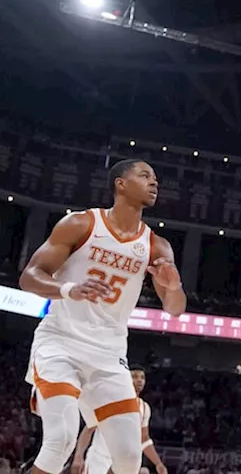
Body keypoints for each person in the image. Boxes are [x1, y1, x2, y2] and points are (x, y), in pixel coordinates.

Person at [20, 160, 186, 474]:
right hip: (61, 343)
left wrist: (174, 287)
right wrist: (69, 289)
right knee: (61, 441)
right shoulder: (81, 224)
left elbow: (175, 308)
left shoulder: (156, 245)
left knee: (127, 458)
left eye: (155, 178)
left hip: (110, 355)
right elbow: (29, 277)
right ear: (120, 184)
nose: (155, 183)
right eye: (144, 175)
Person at [72, 366, 166, 474]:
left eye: (142, 377)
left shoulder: (144, 407)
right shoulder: (110, 399)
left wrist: (158, 463)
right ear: (125, 378)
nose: (139, 380)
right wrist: (78, 455)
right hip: (100, 458)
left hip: (123, 462)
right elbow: (89, 429)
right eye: (134, 376)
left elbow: (144, 439)